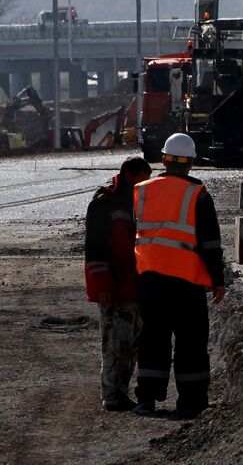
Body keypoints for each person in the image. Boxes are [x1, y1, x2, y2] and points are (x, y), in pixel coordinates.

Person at [132, 133, 226, 419]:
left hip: (149, 278)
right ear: (191, 164)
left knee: (152, 338)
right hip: (187, 281)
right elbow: (210, 243)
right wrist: (218, 280)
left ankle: (146, 399)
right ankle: (192, 401)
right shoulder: (198, 194)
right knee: (191, 342)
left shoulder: (142, 190)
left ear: (163, 160)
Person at [84, 156, 153, 411]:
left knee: (131, 344)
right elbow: (94, 249)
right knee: (114, 344)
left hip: (132, 286)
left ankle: (120, 392)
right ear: (129, 176)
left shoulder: (135, 202)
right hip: (113, 288)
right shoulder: (105, 203)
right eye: (143, 179)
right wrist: (103, 286)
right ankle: (112, 395)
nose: (147, 184)